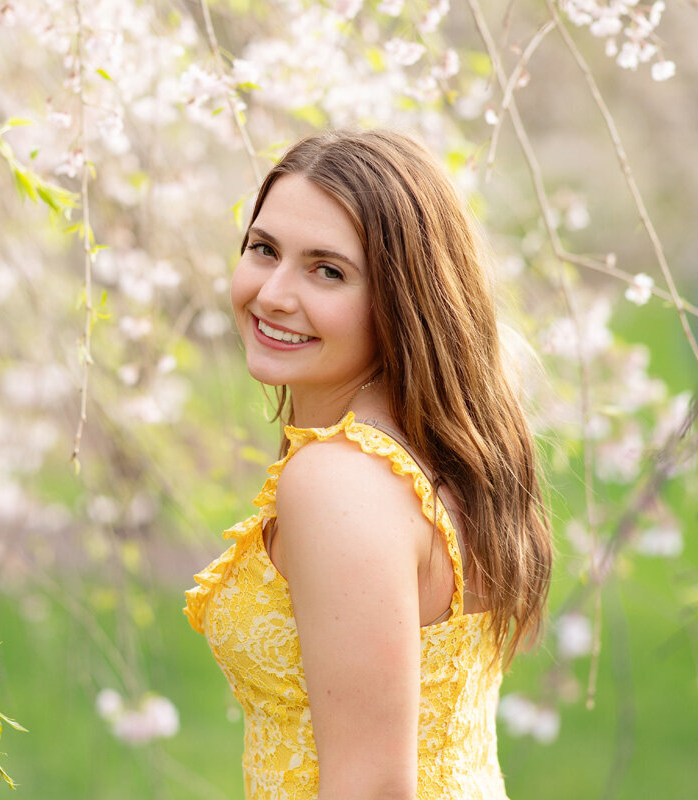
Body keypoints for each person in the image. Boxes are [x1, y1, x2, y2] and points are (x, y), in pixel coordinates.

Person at [184, 128, 553, 800]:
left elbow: (372, 788)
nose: (272, 294)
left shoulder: (339, 480)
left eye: (327, 270)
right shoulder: (436, 450)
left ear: (402, 298)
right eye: (263, 250)